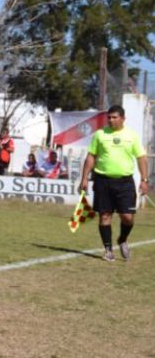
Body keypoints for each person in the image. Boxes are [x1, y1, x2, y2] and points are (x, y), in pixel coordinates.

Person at [78, 105, 148, 262]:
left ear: (123, 118)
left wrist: (144, 180)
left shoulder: (132, 135)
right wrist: (84, 178)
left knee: (128, 217)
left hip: (125, 182)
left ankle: (122, 239)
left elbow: (141, 158)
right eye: (109, 117)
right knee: (105, 216)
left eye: (114, 117)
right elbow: (91, 156)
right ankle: (108, 250)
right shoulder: (100, 134)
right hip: (103, 181)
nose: (111, 120)